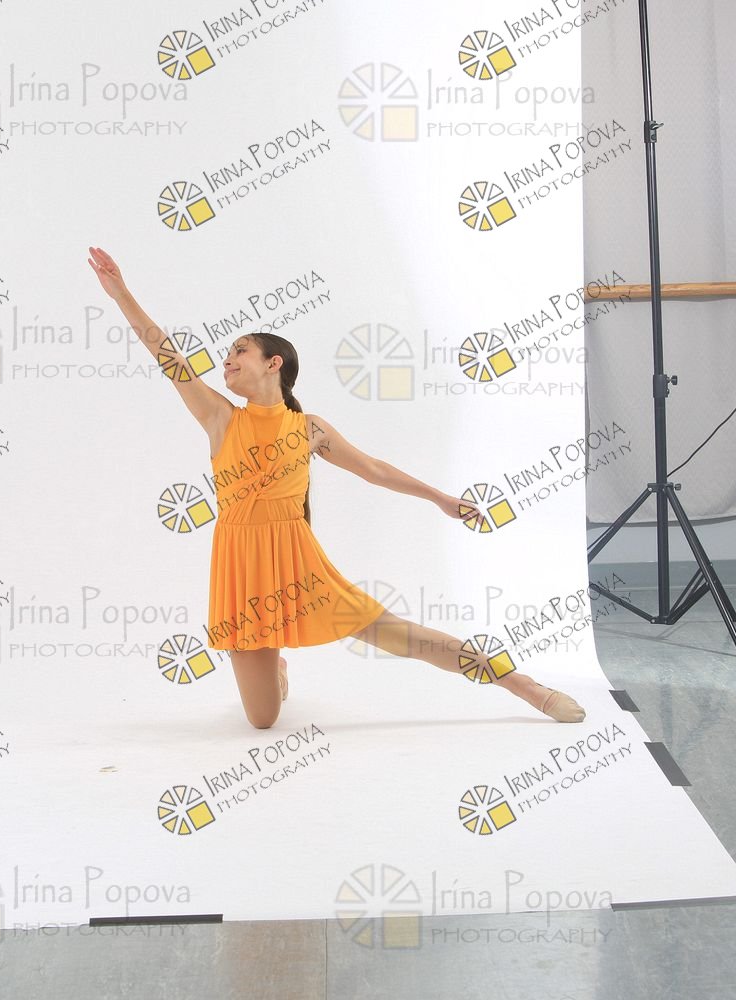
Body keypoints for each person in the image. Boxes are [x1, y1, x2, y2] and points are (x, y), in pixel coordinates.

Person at [87, 246, 586, 730]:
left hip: (299, 565)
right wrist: (120, 293)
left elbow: (374, 469)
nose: (228, 360)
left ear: (274, 363)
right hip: (240, 568)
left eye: (240, 350)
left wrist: (440, 498)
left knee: (403, 638)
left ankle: (526, 687)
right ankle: (278, 667)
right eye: (227, 355)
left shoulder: (309, 429)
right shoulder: (220, 418)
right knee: (262, 720)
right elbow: (167, 356)